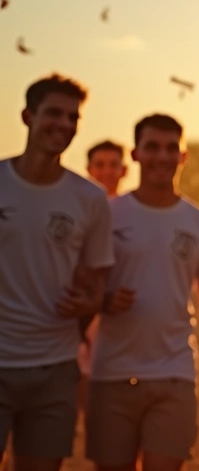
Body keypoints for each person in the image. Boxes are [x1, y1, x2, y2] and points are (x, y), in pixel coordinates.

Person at [86, 114, 199, 471]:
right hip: (111, 372)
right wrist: (104, 302)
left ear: (183, 156)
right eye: (152, 147)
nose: (162, 156)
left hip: (175, 372)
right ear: (136, 154)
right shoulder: (106, 215)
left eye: (172, 148)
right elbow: (80, 286)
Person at [0, 74, 112, 471]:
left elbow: (97, 287)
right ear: (27, 116)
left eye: (72, 117)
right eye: (53, 114)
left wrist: (88, 301)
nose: (63, 125)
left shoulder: (91, 199)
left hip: (56, 369)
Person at [77, 140, 127, 422]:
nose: (106, 171)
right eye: (100, 165)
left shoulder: (132, 213)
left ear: (124, 170)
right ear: (89, 169)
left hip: (117, 329)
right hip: (76, 326)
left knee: (106, 424)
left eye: (113, 165)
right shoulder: (76, 212)